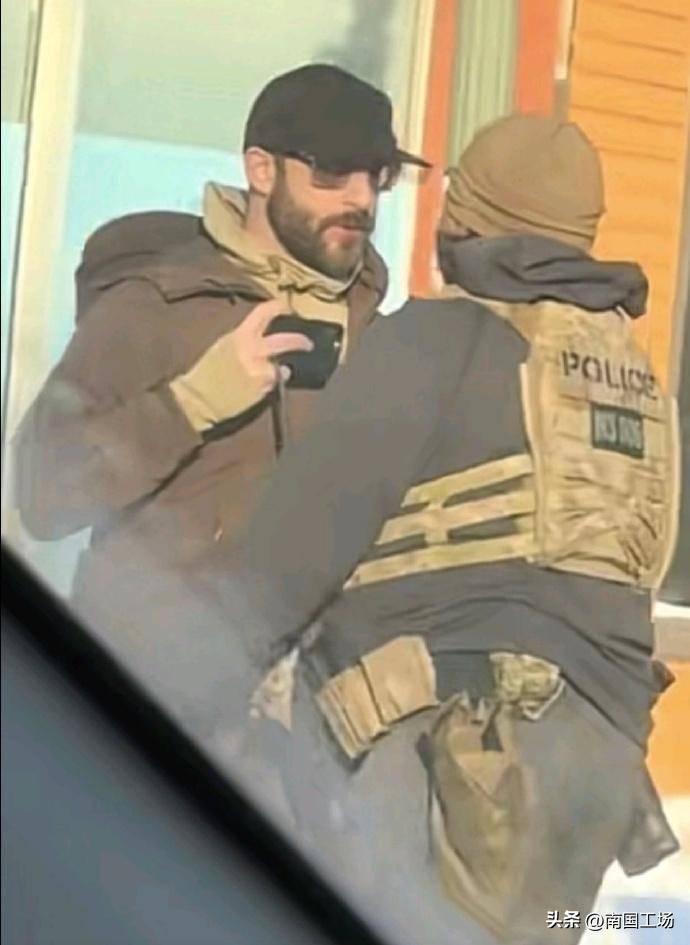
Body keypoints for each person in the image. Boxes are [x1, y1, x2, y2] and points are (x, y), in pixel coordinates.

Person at [201, 115, 681, 944]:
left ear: (473, 213)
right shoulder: (641, 388)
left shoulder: (434, 341)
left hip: (431, 771)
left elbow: (274, 570)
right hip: (586, 788)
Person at [13, 64, 427, 656]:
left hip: (308, 695)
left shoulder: (381, 336)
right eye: (333, 172)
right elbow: (41, 496)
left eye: (378, 175)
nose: (361, 198)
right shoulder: (155, 305)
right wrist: (192, 403)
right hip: (150, 678)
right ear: (262, 170)